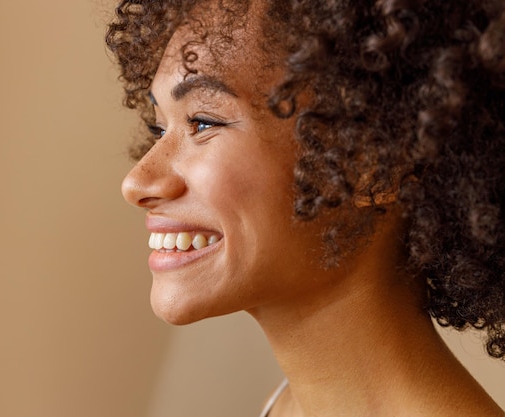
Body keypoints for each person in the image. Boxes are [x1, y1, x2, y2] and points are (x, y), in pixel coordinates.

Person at [106, 0, 505, 416]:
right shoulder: (283, 406)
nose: (137, 182)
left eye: (203, 122)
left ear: (375, 165)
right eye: (159, 127)